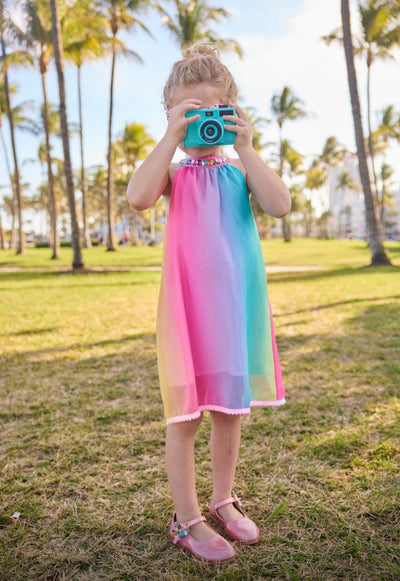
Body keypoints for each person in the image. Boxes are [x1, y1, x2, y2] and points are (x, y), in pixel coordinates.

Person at [127, 43, 291, 563]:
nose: (202, 125)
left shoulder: (240, 172)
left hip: (234, 312)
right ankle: (187, 517)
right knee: (186, 417)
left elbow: (280, 205)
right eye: (188, 113)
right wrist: (170, 137)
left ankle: (223, 498)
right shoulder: (173, 174)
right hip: (188, 313)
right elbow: (137, 196)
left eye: (212, 113)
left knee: (229, 411)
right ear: (171, 115)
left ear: (233, 114)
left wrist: (246, 146)